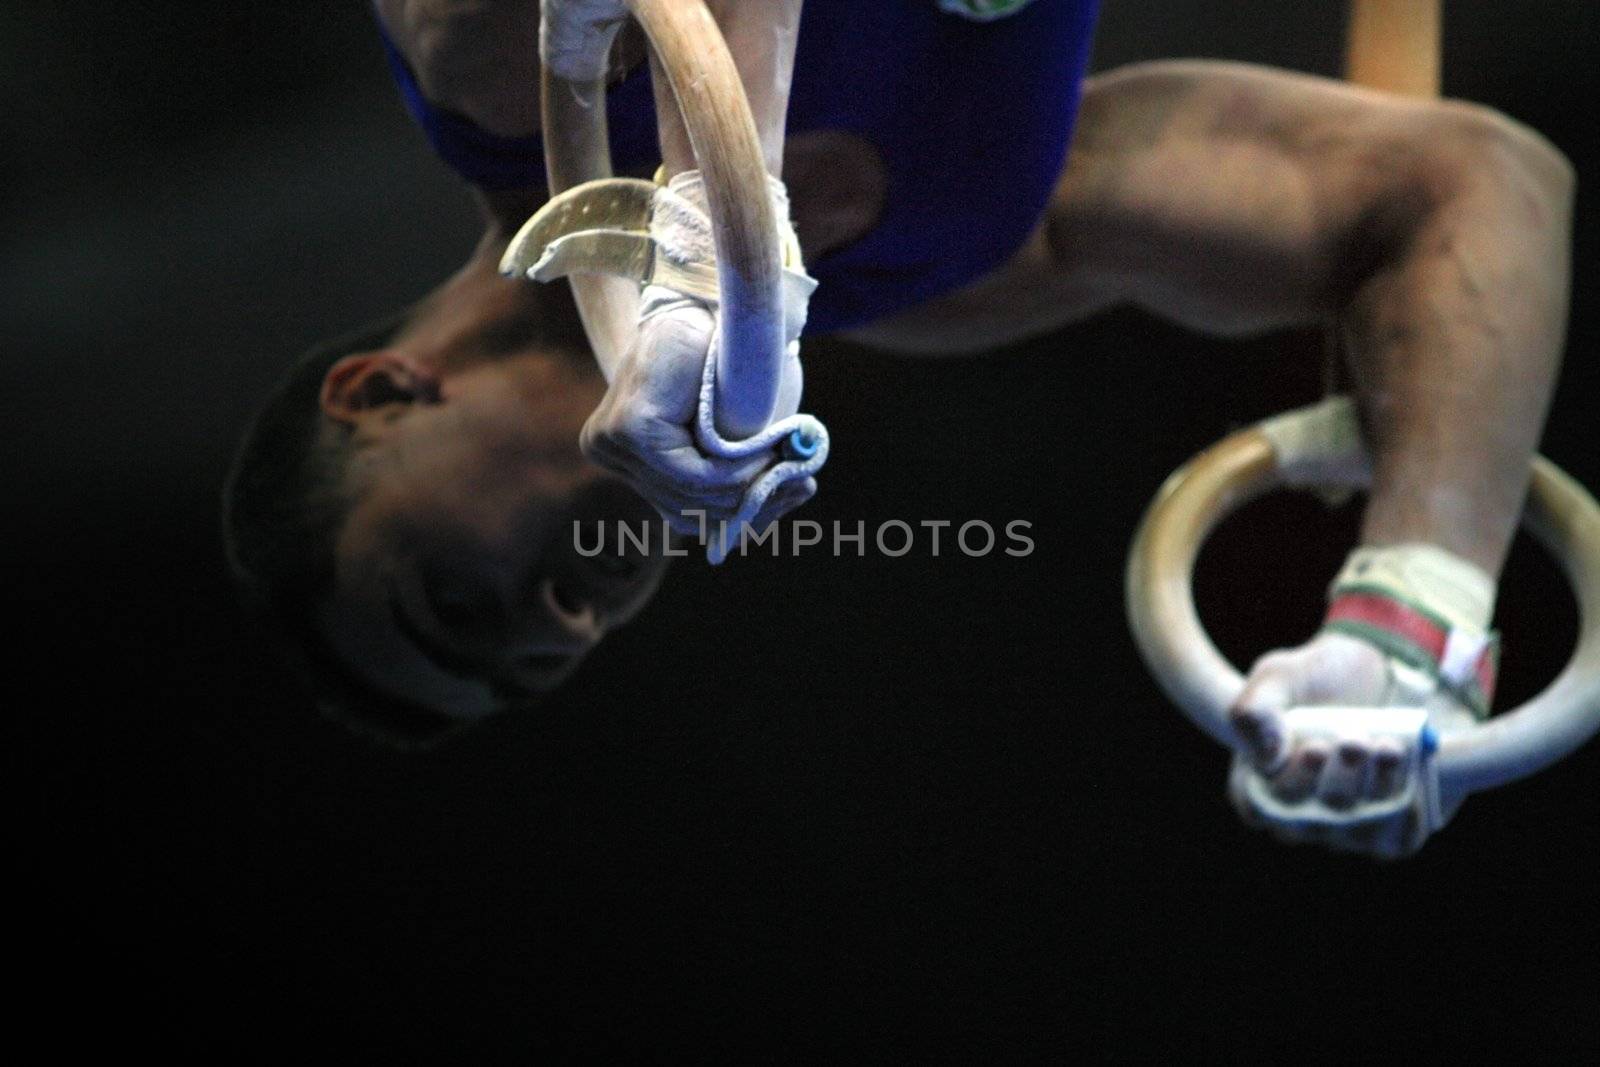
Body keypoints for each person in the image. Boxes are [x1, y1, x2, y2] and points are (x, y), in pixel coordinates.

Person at [224, 1, 1574, 854]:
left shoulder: (486, 58)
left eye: (455, 602)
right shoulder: (951, 270)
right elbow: (1467, 190)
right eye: (542, 663)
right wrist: (1418, 603)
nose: (562, 623)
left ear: (384, 395)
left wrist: (709, 221)